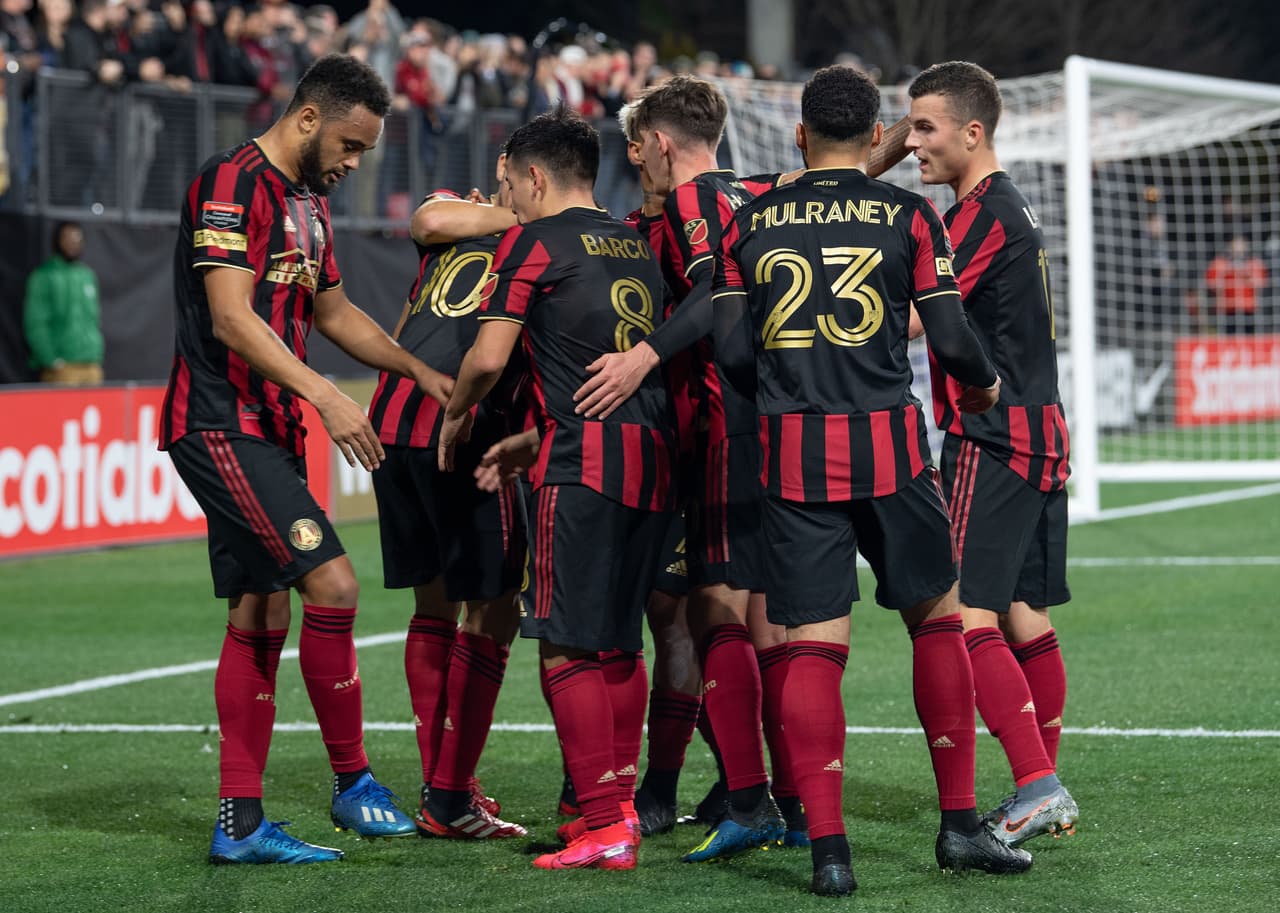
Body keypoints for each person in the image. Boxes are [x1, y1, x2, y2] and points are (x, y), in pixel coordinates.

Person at [710, 64, 1031, 895]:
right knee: (937, 619)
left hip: (792, 453)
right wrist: (989, 385)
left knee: (815, 644)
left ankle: (829, 852)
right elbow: (954, 341)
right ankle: (959, 826)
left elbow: (731, 352)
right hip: (891, 446)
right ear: (876, 133)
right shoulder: (909, 213)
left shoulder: (751, 218)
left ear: (799, 137)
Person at [158, 53, 452, 865]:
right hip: (221, 421)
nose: (355, 163)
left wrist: (415, 369)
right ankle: (354, 783)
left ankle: (241, 822)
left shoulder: (309, 204)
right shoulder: (230, 183)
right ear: (311, 117)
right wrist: (327, 396)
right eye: (351, 145)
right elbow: (230, 318)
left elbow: (333, 309)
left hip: (268, 425)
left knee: (260, 610)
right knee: (333, 582)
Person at [438, 107, 677, 871]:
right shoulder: (636, 242)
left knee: (565, 643)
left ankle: (605, 821)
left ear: (535, 177)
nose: (507, 199)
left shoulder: (531, 243)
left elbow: (486, 356)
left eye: (509, 184)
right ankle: (605, 802)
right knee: (618, 640)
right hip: (655, 457)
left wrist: (456, 413)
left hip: (584, 463)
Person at [904, 60, 1079, 849]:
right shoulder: (1011, 205)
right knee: (1021, 613)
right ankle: (1040, 781)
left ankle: (1037, 782)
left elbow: (919, 318)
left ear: (974, 132)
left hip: (995, 432)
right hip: (1042, 427)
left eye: (926, 127)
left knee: (966, 613)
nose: (913, 145)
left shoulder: (978, 214)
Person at [366, 168, 527, 840]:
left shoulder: (461, 231)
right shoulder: (533, 241)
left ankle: (445, 780)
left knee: (433, 604)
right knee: (496, 607)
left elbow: (428, 228)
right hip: (456, 424)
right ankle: (451, 793)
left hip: (394, 418)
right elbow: (428, 215)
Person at [23, 221, 104, 385]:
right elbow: (35, 323)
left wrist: (96, 351)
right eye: (68, 238)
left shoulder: (87, 275)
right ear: (57, 241)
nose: (73, 244)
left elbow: (94, 320)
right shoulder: (44, 276)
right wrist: (52, 360)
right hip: (63, 369)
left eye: (77, 239)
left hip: (91, 365)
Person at [1202, 234, 1268, 334]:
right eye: (1235, 244)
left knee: (1249, 338)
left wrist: (1246, 273)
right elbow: (1211, 284)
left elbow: (1261, 283)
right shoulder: (1219, 262)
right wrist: (1225, 272)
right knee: (1228, 338)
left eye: (1241, 244)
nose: (1238, 247)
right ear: (1229, 245)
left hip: (1248, 307)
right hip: (1226, 308)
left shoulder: (1254, 263)